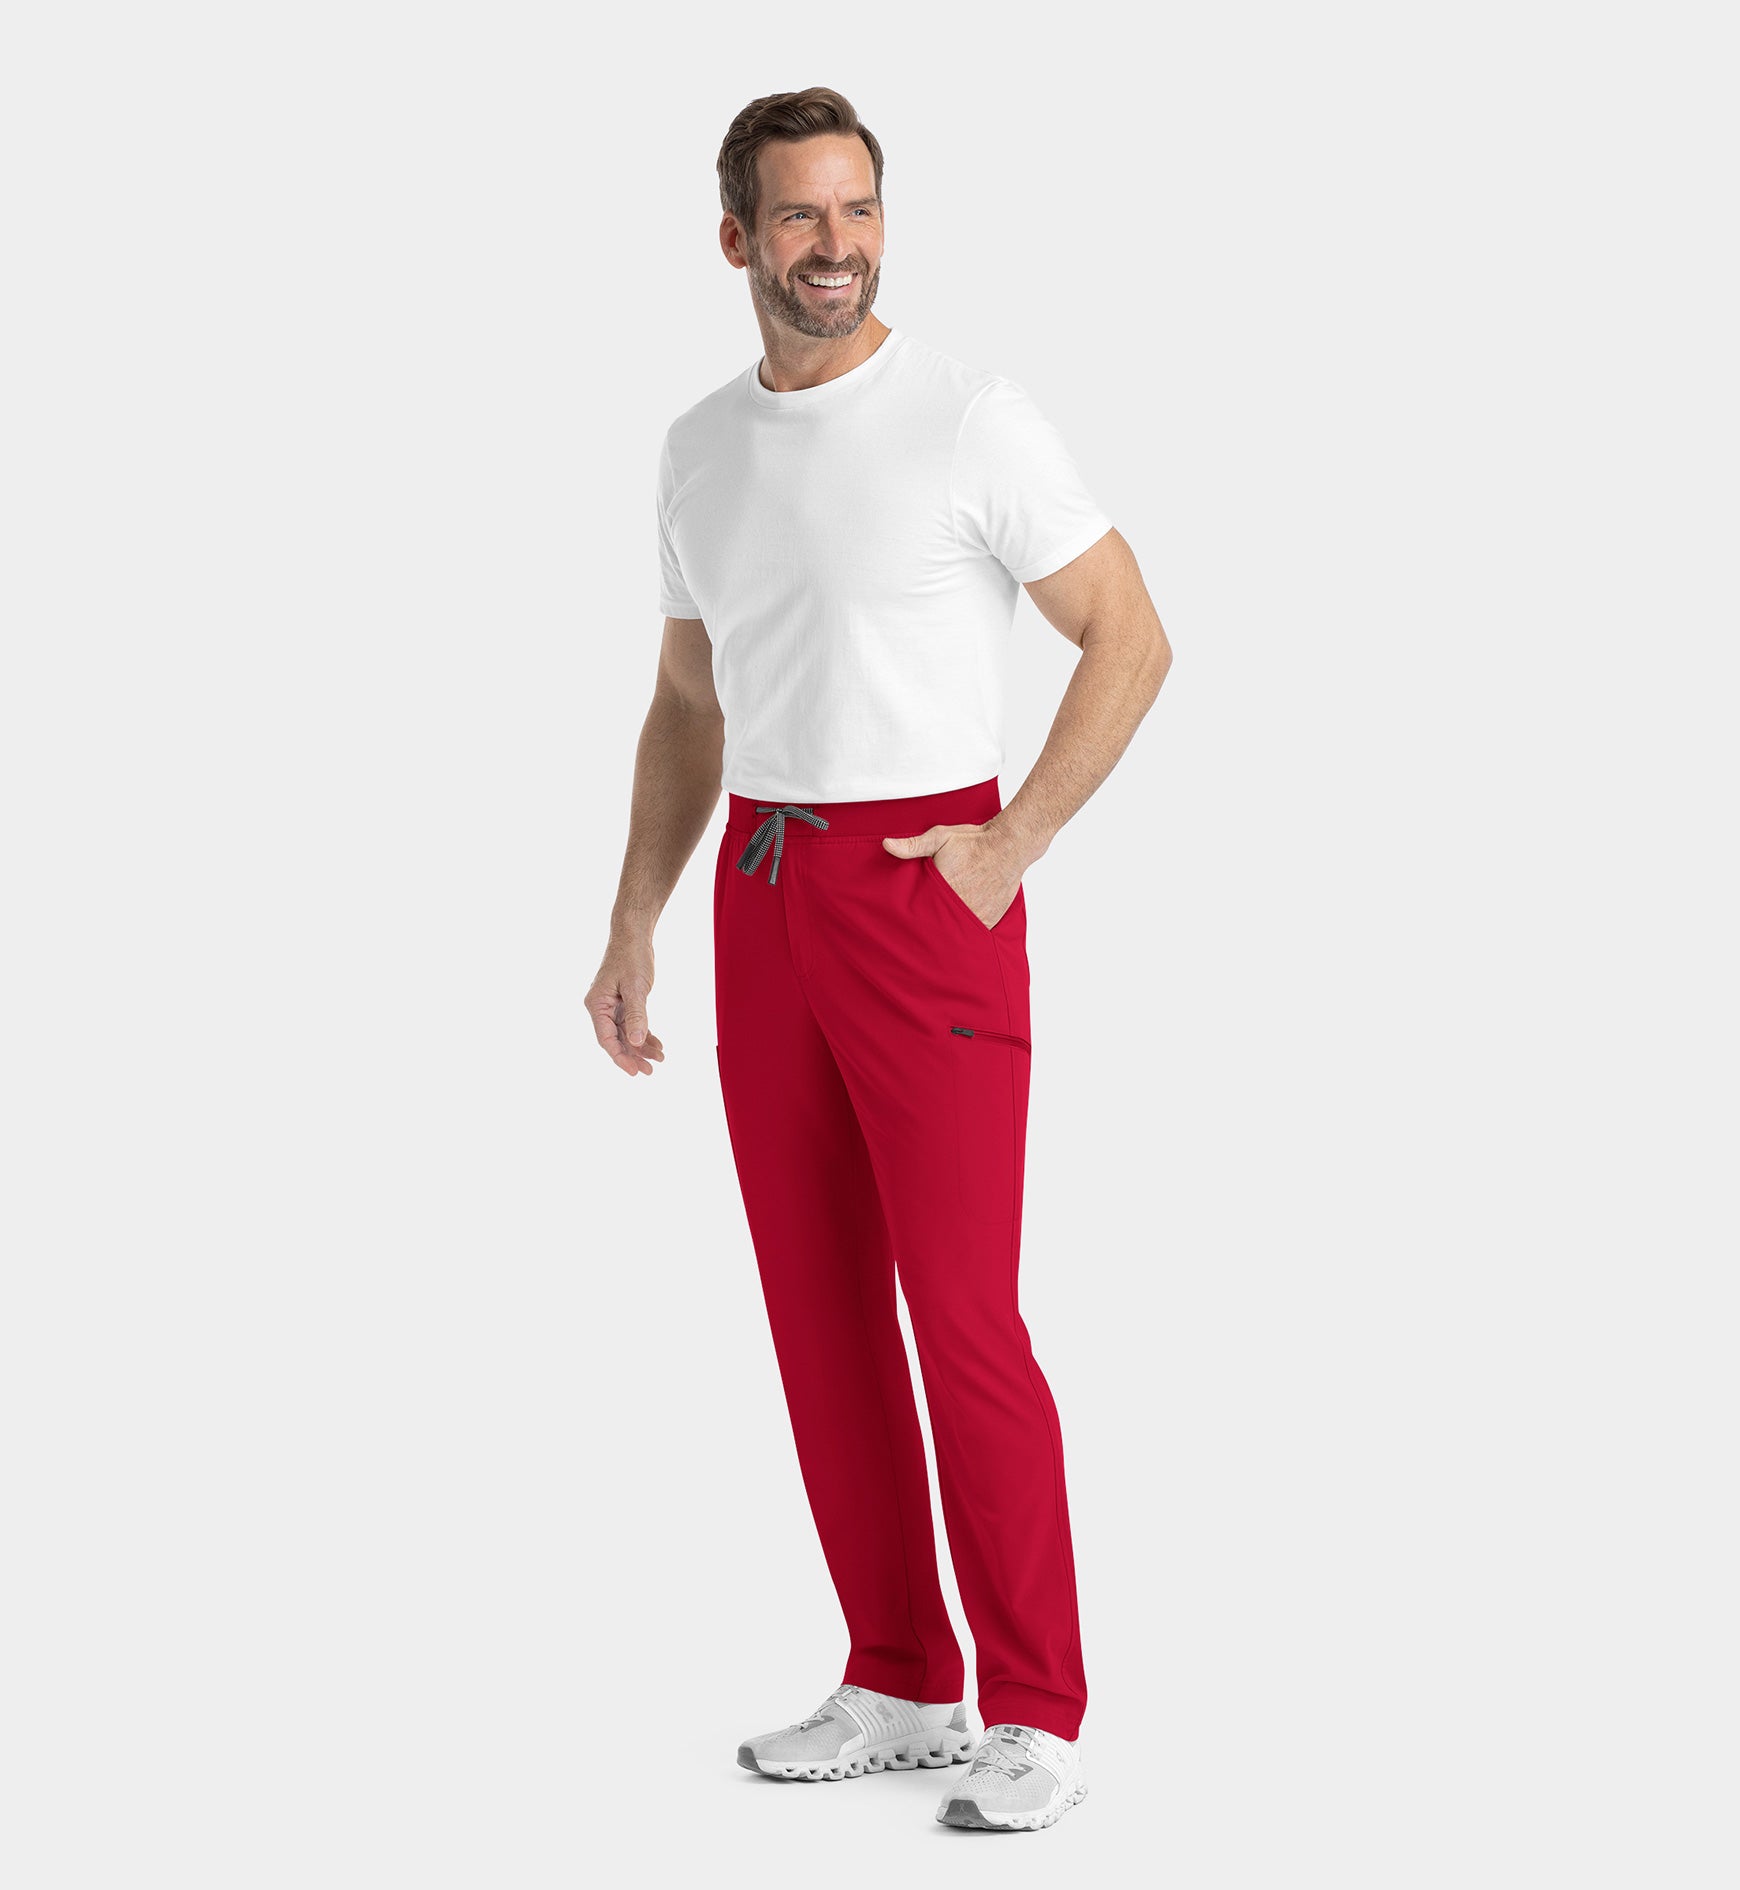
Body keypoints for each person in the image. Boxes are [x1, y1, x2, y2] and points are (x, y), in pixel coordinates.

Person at [588, 85, 1171, 1833]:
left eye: (858, 210)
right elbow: (689, 701)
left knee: (962, 1314)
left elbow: (1130, 635)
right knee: (819, 1309)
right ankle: (905, 1672)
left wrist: (1011, 843)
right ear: (736, 238)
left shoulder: (969, 418)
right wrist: (635, 917)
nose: (834, 245)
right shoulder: (698, 447)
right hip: (763, 887)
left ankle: (1037, 1706)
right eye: (799, 215)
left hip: (926, 890)